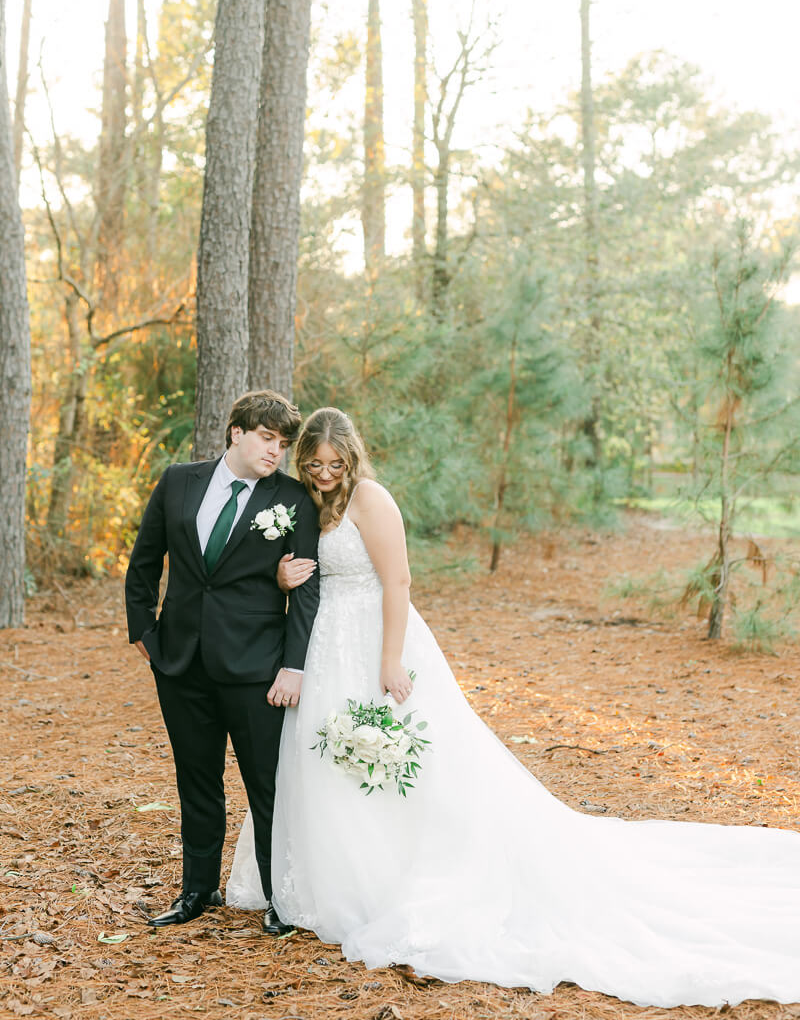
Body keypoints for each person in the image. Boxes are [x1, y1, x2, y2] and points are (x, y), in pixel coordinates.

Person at [227, 406, 800, 1007]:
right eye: (314, 464)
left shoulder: (371, 498)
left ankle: (395, 872)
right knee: (323, 757)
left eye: (333, 463)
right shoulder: (305, 503)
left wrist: (391, 660)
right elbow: (308, 572)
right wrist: (284, 579)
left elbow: (396, 582)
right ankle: (331, 877)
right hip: (323, 647)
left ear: (351, 456)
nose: (323, 473)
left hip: (374, 637)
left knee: (403, 765)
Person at [125, 389, 319, 936]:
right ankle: (197, 889)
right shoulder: (177, 480)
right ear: (236, 431)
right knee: (197, 779)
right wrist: (142, 629)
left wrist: (294, 664)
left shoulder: (293, 499)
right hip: (181, 662)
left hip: (257, 665)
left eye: (282, 444)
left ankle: (280, 897)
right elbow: (144, 559)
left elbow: (306, 591)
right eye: (266, 438)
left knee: (266, 785)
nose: (275, 451)